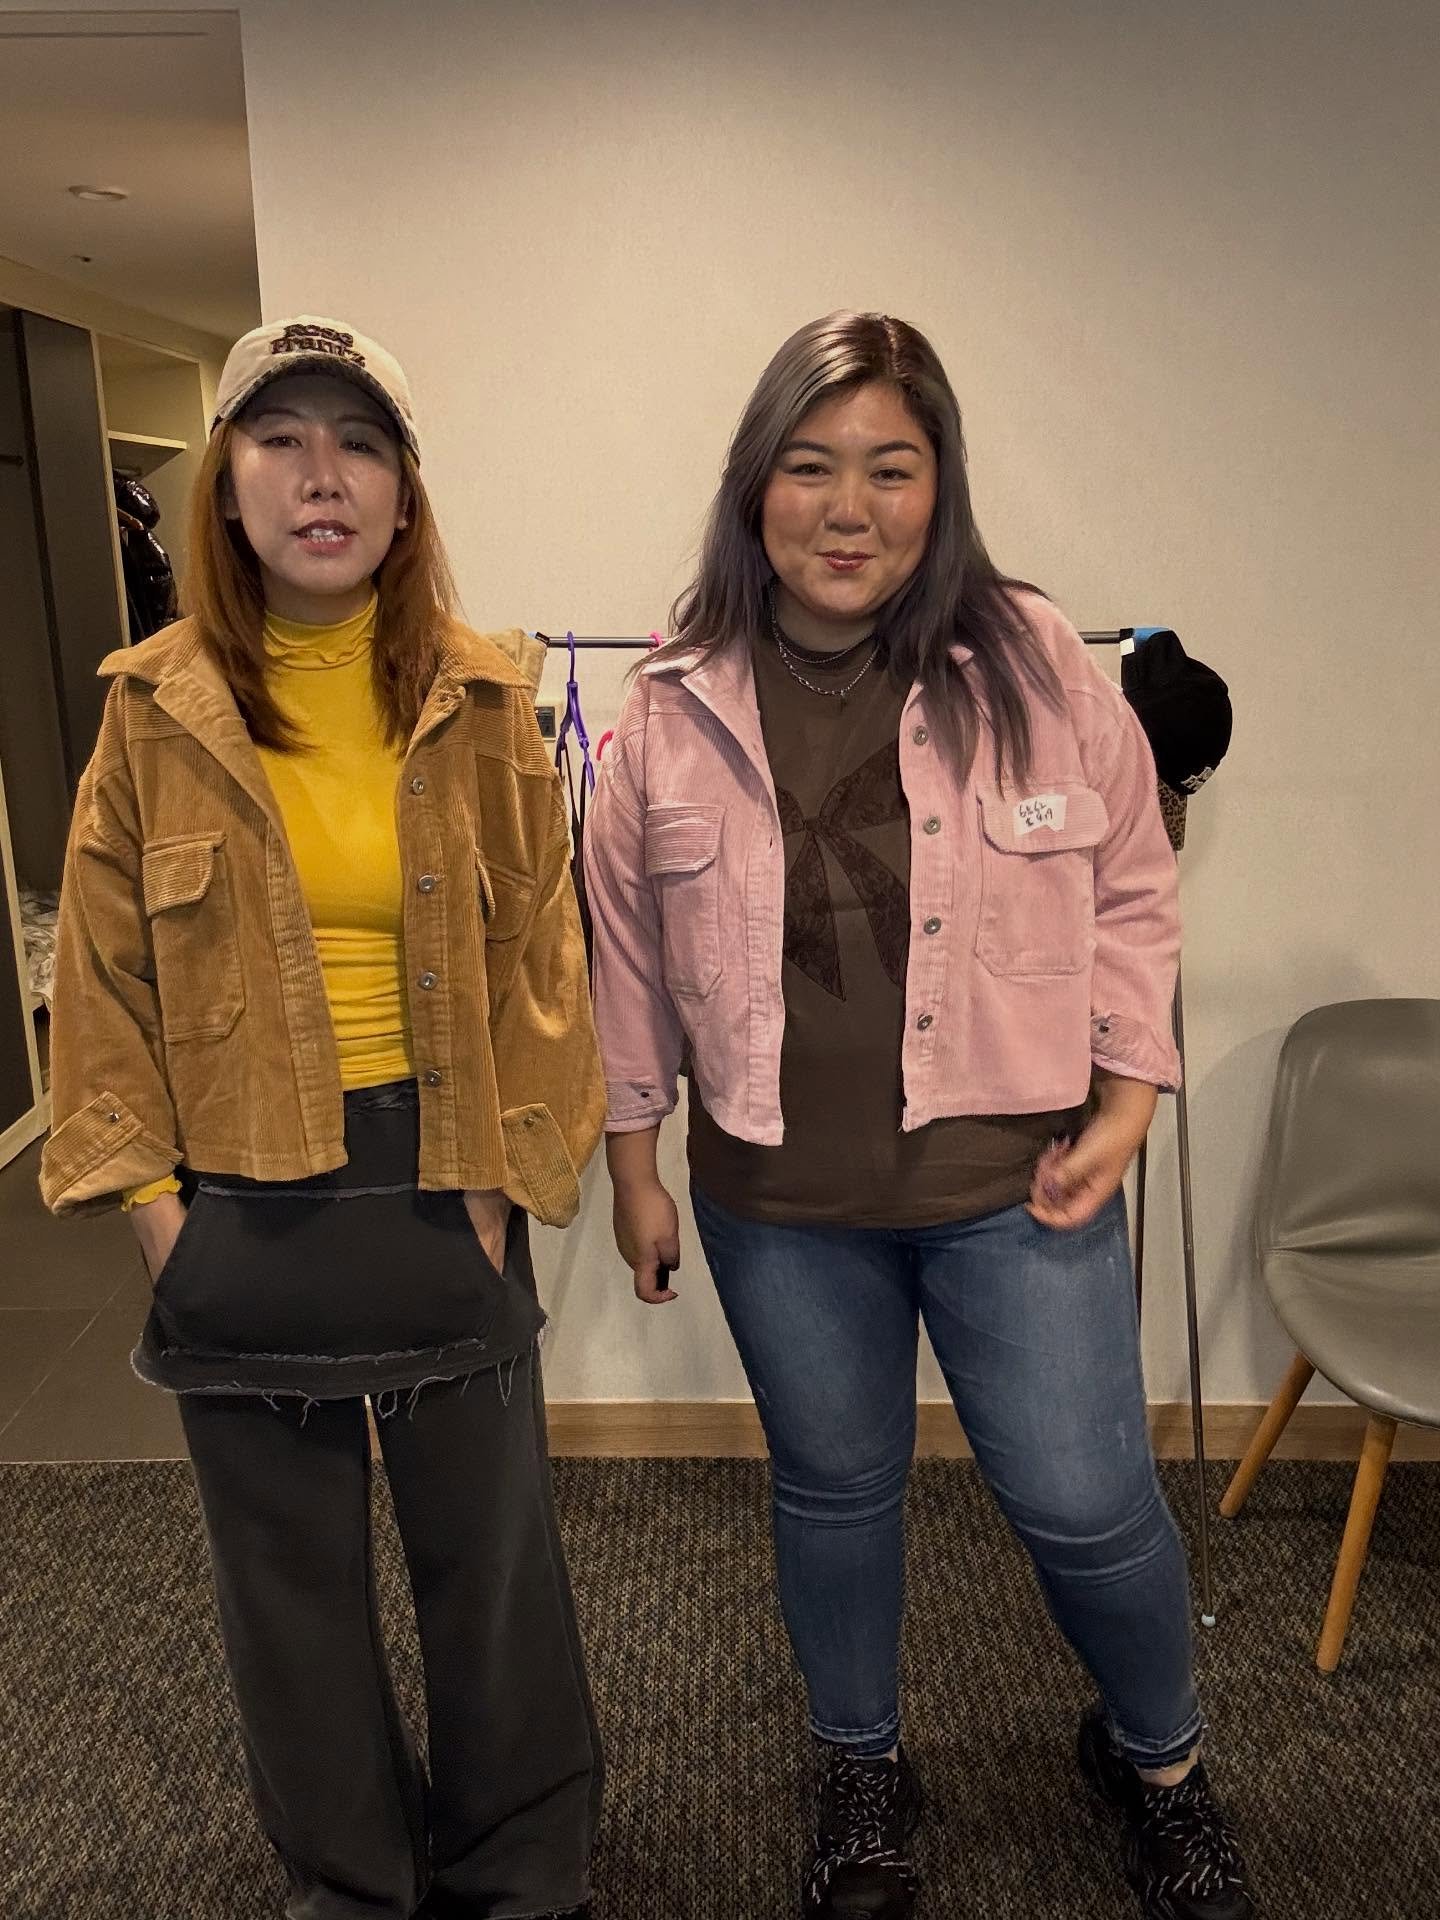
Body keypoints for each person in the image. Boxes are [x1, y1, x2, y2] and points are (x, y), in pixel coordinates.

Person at [583, 311, 1254, 1920]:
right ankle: (861, 1765)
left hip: (1016, 1185)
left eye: (890, 468)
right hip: (777, 1202)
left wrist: (1130, 1098)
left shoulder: (1034, 668)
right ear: (754, 487)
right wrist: (633, 1163)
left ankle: (1159, 1761)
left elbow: (1132, 888)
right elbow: (622, 950)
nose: (848, 507)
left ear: (940, 487)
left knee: (1088, 1504)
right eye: (809, 466)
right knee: (833, 1493)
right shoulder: (671, 705)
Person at [41, 316, 601, 1920]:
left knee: (490, 1567)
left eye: (358, 442)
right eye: (278, 439)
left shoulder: (483, 697)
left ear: (405, 493)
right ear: (225, 486)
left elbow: (543, 957)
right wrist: (155, 1211)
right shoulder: (151, 712)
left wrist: (499, 1181)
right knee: (286, 1587)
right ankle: (351, 1885)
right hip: (234, 1194)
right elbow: (101, 979)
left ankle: (523, 1873)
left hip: (441, 1175)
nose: (320, 476)